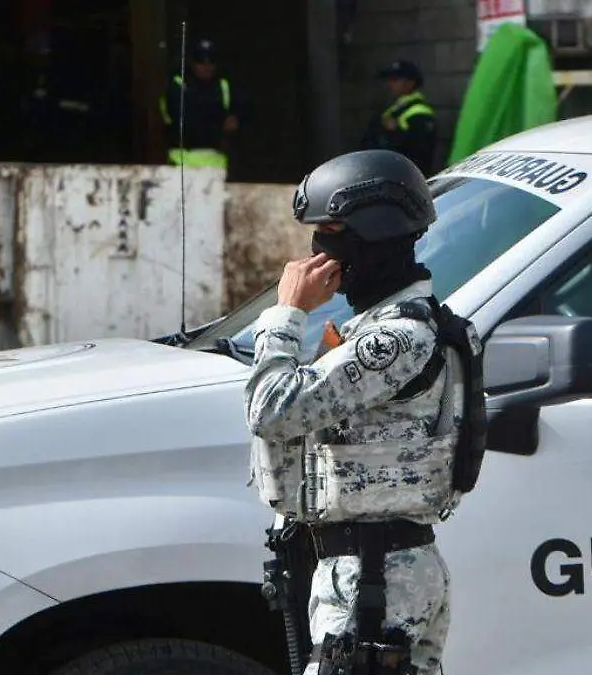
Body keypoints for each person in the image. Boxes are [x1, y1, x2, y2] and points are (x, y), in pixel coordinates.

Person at [245, 149, 485, 675]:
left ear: (373, 234)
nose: (318, 248)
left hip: (373, 581)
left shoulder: (398, 340)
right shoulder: (385, 330)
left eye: (332, 230)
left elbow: (273, 409)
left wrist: (285, 315)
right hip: (371, 573)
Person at [159, 38, 241, 170]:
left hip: (215, 165)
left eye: (211, 61)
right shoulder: (177, 85)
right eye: (201, 61)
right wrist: (219, 122)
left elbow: (242, 119)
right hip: (182, 164)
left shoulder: (224, 86)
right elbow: (184, 122)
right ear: (192, 62)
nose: (206, 66)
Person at [360, 60, 437, 175]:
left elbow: (420, 152)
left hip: (406, 177)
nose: (390, 84)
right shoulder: (394, 108)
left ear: (410, 83)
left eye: (395, 80)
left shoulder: (420, 112)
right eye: (389, 80)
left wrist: (395, 132)